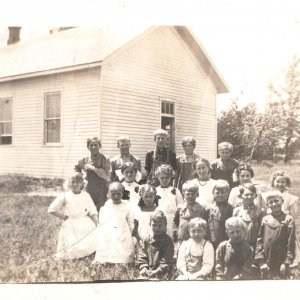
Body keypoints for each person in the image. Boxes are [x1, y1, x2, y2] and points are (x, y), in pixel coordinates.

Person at [48, 172, 99, 259]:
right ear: (69, 183)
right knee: (72, 248)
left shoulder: (86, 195)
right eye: (73, 181)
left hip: (85, 222)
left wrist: (97, 223)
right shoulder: (65, 196)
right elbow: (51, 209)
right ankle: (77, 254)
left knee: (94, 238)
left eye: (78, 182)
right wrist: (63, 217)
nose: (75, 184)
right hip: (71, 223)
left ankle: (89, 252)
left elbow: (92, 211)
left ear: (82, 184)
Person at [255, 191, 295, 279]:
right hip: (266, 261)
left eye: (276, 201)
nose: (274, 204)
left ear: (282, 201)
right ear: (267, 205)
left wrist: (286, 262)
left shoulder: (288, 219)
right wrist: (261, 261)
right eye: (271, 202)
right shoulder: (265, 219)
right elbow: (259, 240)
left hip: (281, 262)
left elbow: (291, 242)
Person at [93, 182, 135, 264]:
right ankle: (106, 258)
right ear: (108, 194)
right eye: (113, 194)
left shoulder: (126, 207)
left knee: (123, 247)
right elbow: (102, 221)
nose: (116, 196)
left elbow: (130, 221)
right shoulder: (105, 207)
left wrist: (129, 231)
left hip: (122, 230)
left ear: (122, 194)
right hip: (109, 231)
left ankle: (121, 259)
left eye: (118, 194)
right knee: (107, 242)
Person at [74, 137, 110, 211]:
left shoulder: (105, 158)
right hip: (89, 188)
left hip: (102, 188)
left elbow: (107, 176)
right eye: (91, 145)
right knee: (89, 209)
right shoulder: (84, 159)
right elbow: (76, 168)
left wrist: (93, 169)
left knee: (101, 209)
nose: (93, 147)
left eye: (96, 145)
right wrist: (80, 178)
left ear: (99, 146)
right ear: (88, 147)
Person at [138, 210, 174, 280]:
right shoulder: (146, 239)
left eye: (160, 226)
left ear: (165, 226)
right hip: (148, 271)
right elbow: (142, 256)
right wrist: (144, 268)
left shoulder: (167, 241)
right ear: (150, 224)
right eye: (154, 225)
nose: (157, 228)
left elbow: (167, 260)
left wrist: (157, 271)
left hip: (162, 272)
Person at [233, 183, 265, 250]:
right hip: (239, 246)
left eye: (251, 194)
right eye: (246, 195)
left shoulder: (260, 211)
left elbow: (262, 231)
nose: (249, 197)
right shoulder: (236, 211)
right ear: (241, 196)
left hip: (255, 246)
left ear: (255, 195)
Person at [156, 164, 183, 238]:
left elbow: (180, 209)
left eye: (167, 177)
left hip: (172, 221)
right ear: (158, 177)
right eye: (162, 178)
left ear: (171, 177)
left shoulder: (176, 191)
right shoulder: (155, 191)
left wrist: (177, 226)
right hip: (158, 222)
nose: (164, 180)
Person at [207, 180, 233, 250]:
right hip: (211, 241)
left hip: (226, 241)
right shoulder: (209, 209)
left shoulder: (231, 209)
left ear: (228, 193)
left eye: (223, 193)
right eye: (217, 193)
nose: (220, 195)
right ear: (213, 193)